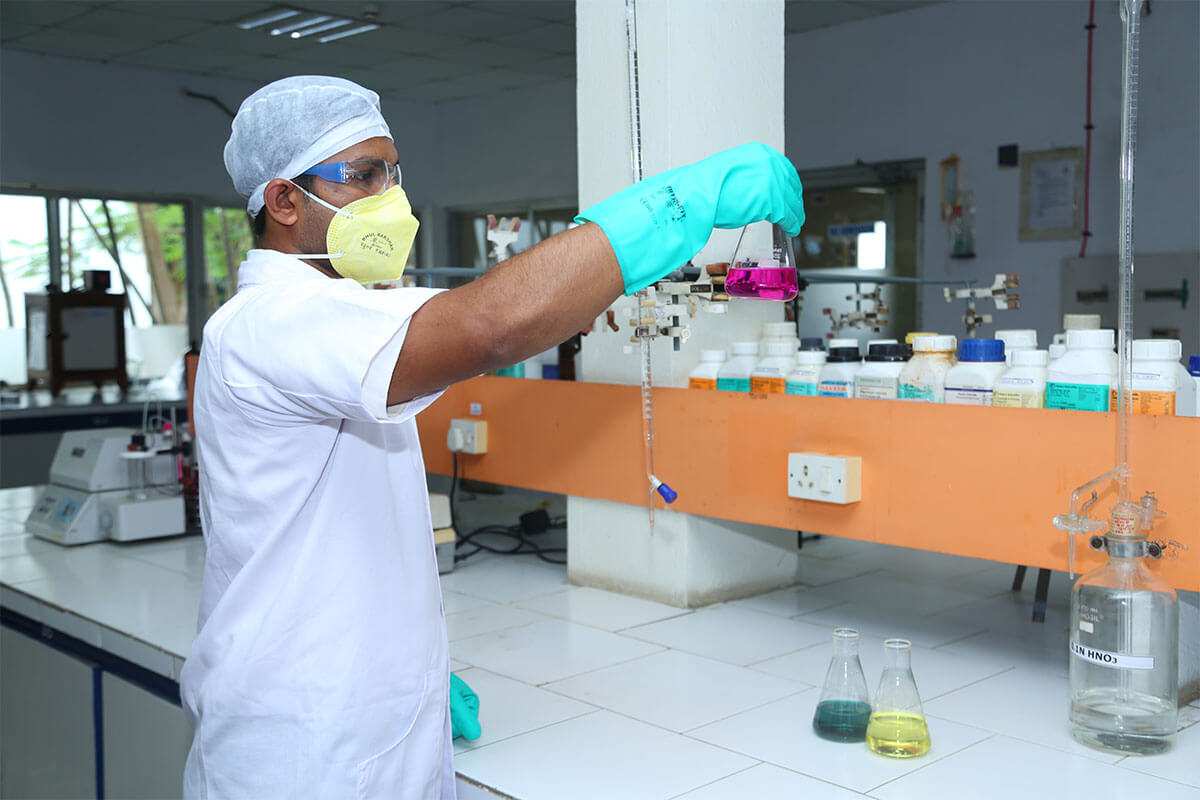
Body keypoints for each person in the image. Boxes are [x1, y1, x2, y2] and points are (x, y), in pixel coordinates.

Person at [181, 75, 804, 799]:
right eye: (364, 176)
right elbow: (492, 324)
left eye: (393, 172)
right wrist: (677, 207)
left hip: (361, 717)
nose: (390, 196)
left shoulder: (334, 314)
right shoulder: (272, 322)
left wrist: (404, 664)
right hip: (301, 750)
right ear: (284, 200)